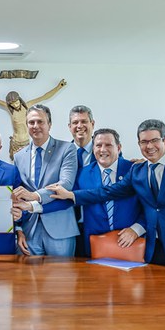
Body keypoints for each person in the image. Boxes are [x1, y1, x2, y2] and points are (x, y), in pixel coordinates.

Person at [46, 119, 165, 272]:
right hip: (151, 249)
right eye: (144, 142)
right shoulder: (137, 171)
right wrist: (71, 195)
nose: (149, 146)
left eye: (154, 140)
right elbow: (108, 191)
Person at [12, 104, 79, 256]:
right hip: (29, 231)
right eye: (31, 122)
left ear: (49, 124)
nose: (36, 126)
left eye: (40, 122)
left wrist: (34, 196)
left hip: (60, 229)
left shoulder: (67, 149)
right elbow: (16, 194)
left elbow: (66, 184)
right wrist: (19, 229)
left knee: (60, 278)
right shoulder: (18, 156)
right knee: (26, 278)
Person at [74, 128, 145, 257]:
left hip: (133, 244)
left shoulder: (135, 170)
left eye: (108, 145)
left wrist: (137, 229)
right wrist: (35, 204)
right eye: (98, 145)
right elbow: (69, 202)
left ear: (118, 148)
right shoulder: (81, 175)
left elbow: (150, 207)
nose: (103, 149)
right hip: (93, 247)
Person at [0, 79, 67, 159]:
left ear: (19, 100)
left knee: (28, 166)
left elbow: (44, 97)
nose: (15, 105)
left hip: (27, 142)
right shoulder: (9, 109)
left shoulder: (27, 106)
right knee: (15, 165)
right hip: (16, 142)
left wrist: (59, 87)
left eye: (16, 102)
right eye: (12, 104)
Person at [68, 105, 95, 256]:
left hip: (97, 223)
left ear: (92, 124)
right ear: (69, 126)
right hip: (69, 225)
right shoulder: (61, 152)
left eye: (84, 121)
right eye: (75, 122)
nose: (80, 126)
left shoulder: (105, 150)